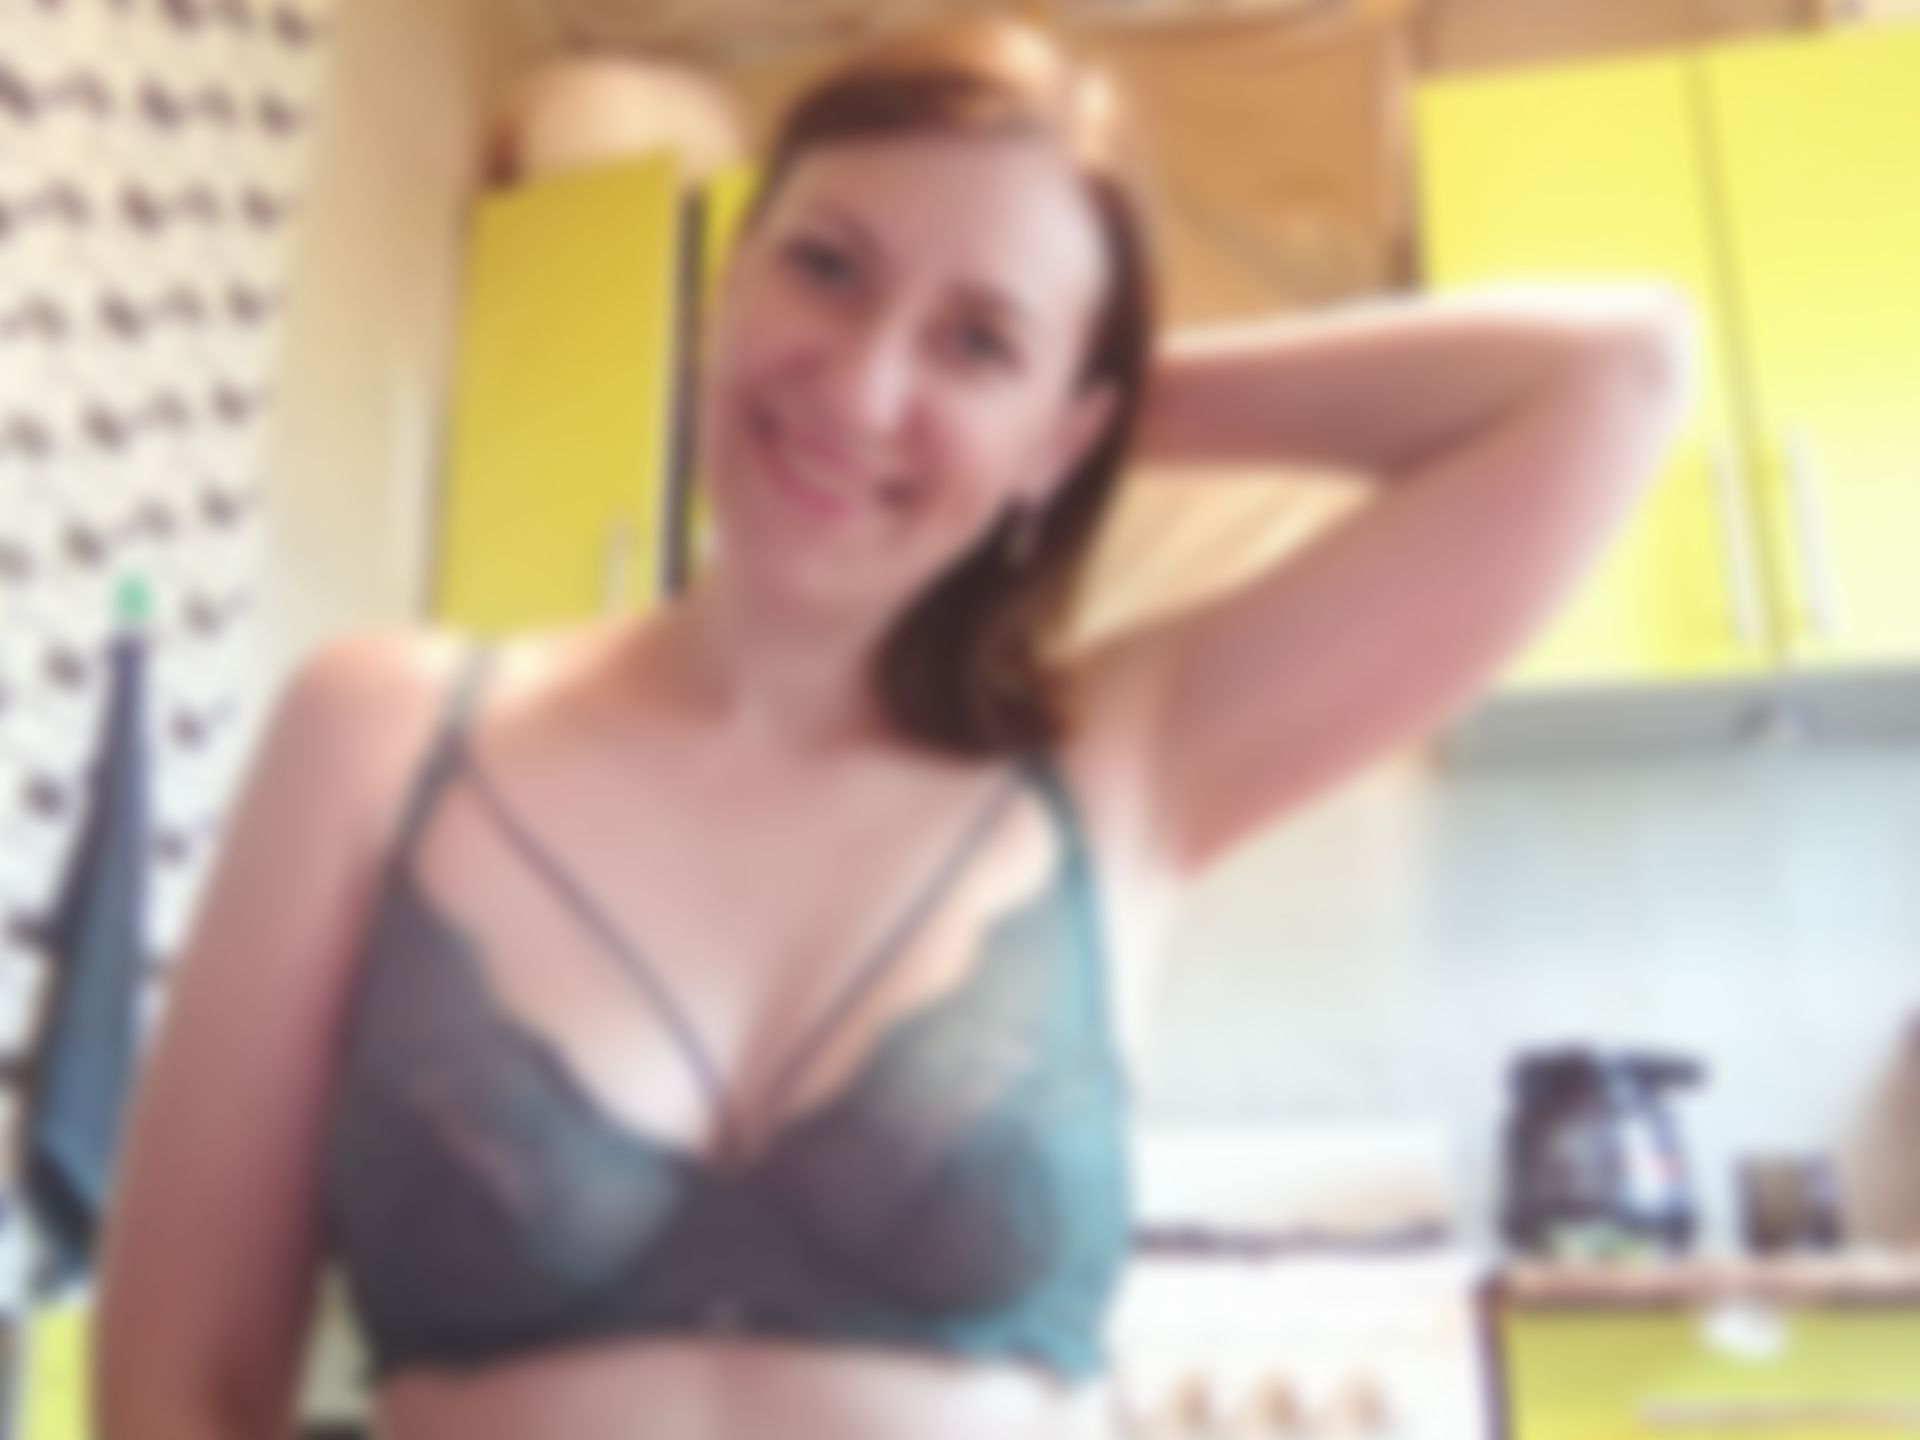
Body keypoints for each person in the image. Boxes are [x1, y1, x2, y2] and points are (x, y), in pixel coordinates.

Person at [95, 17, 1691, 1440]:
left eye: (975, 340)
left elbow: (1618, 377)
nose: (860, 389)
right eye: (827, 268)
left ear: (1069, 435)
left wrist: (1082, 413)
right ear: (730, 277)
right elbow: (180, 1395)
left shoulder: (1116, 763)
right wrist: (1010, 393)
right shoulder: (379, 734)